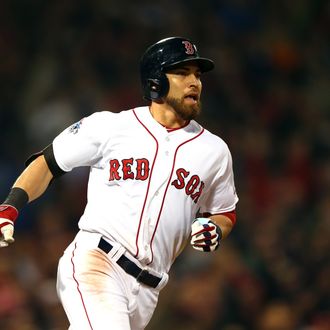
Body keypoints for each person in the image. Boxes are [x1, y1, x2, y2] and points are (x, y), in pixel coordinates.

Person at [0, 36, 239, 330]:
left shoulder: (214, 151)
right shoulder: (112, 127)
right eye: (182, 73)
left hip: (149, 292)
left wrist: (216, 228)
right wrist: (10, 207)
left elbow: (224, 212)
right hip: (98, 261)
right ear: (155, 82)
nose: (194, 82)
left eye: (197, 75)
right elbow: (47, 163)